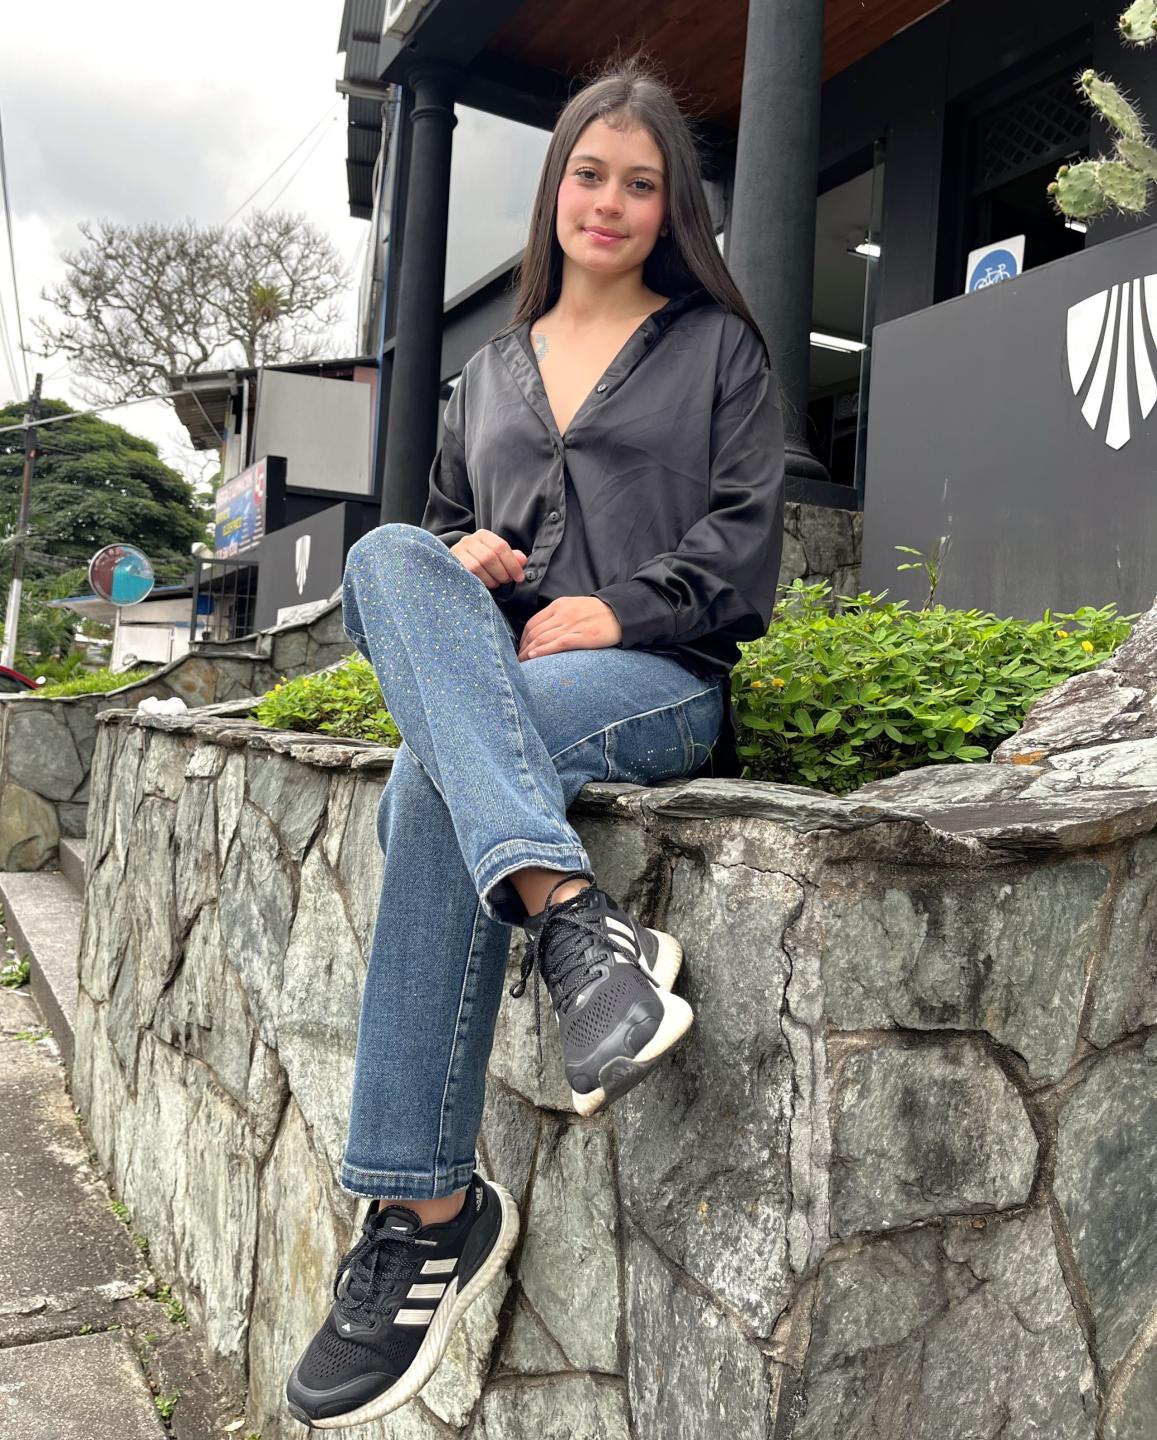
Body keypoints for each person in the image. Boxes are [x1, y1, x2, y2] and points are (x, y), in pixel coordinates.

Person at [286, 56, 785, 1431]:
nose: (609, 202)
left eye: (641, 183)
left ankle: (424, 1215)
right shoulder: (484, 374)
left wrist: (620, 607)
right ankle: (571, 919)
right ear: (553, 189)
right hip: (503, 690)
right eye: (588, 174)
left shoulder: (718, 351)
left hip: (656, 679)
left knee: (423, 790)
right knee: (390, 553)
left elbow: (747, 545)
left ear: (672, 207)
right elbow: (446, 538)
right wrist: (472, 562)